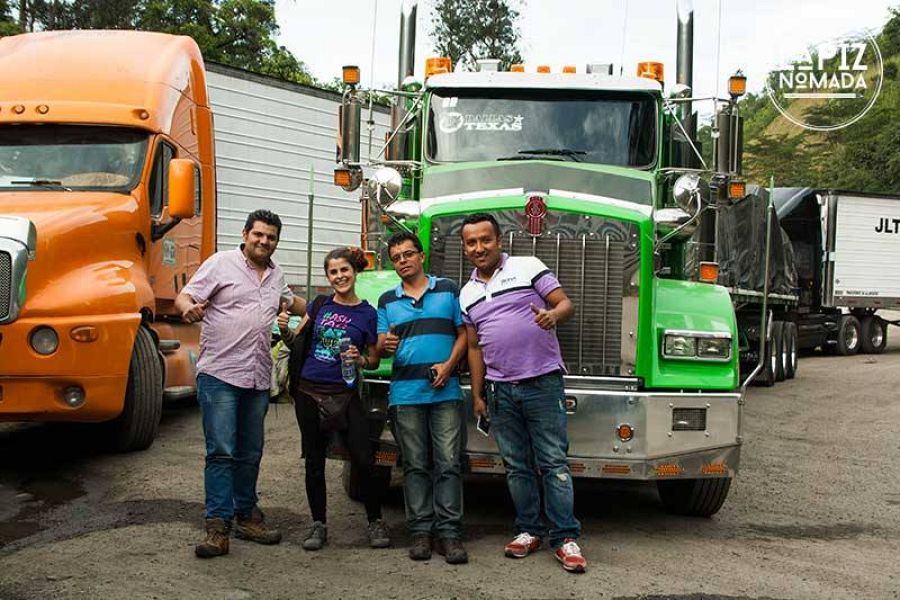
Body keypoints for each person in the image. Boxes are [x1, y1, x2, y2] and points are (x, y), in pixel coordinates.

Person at [459, 213, 586, 573]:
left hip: (542, 383)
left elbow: (565, 303)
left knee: (553, 462)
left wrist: (553, 316)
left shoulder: (528, 266)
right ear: (465, 248)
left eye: (485, 240)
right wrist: (478, 394)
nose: (479, 247)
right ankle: (529, 530)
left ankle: (564, 537)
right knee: (516, 466)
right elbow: (474, 347)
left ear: (499, 241)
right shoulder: (466, 294)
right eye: (471, 242)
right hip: (499, 391)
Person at [176, 209, 306, 559]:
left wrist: (327, 308)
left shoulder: (277, 276)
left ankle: (246, 517)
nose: (264, 241)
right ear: (246, 234)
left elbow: (295, 303)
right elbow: (185, 296)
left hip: (257, 377)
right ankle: (217, 528)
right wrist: (187, 309)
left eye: (271, 237)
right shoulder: (221, 264)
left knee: (250, 452)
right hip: (219, 375)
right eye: (258, 234)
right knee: (221, 451)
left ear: (277, 242)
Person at [279, 246, 390, 551]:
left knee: (364, 459)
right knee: (314, 461)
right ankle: (318, 524)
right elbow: (296, 339)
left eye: (344, 270)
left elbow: (374, 360)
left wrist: (359, 359)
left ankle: (375, 521)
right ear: (327, 277)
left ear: (354, 272)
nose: (339, 276)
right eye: (333, 272)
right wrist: (284, 330)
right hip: (309, 391)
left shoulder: (368, 313)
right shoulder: (320, 305)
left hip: (345, 394)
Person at [377, 231, 469, 564]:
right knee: (415, 466)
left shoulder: (447, 289)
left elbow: (464, 334)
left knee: (448, 464)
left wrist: (449, 365)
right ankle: (420, 532)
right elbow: (379, 347)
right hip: (405, 395)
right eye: (396, 258)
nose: (402, 261)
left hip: (445, 392)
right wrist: (384, 345)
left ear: (421, 255)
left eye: (407, 254)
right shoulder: (387, 300)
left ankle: (449, 534)